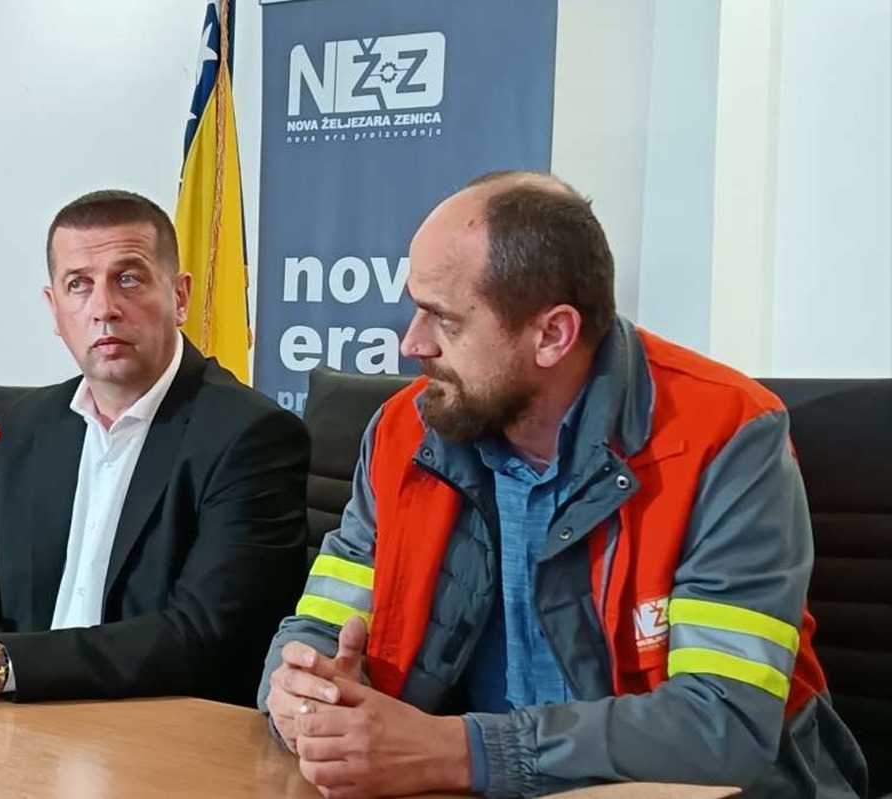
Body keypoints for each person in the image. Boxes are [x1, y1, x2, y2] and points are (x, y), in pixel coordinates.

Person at [260, 172, 867, 798]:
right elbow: (321, 626)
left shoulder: (726, 438)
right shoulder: (403, 432)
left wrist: (457, 751)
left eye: (444, 319)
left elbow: (722, 724)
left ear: (552, 334)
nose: (411, 342)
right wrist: (301, 693)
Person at [0, 190, 310, 705]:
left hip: (157, 727)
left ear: (179, 297)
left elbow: (206, 637)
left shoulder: (250, 435)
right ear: (54, 308)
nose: (104, 309)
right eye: (79, 285)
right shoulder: (31, 424)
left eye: (128, 279)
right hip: (21, 722)